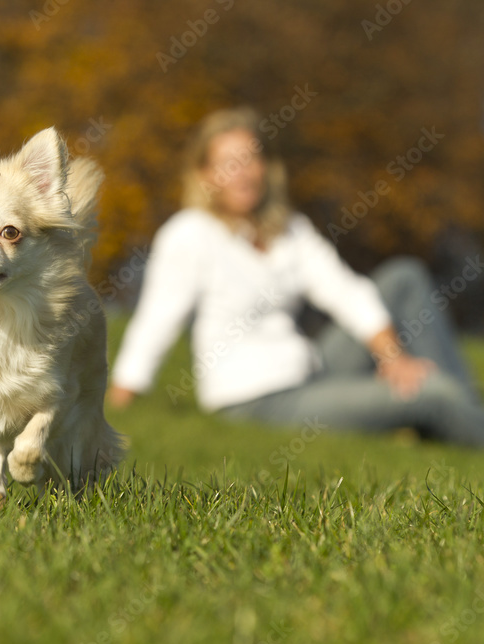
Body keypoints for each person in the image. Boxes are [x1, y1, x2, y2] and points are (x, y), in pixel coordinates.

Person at [109, 107, 484, 448]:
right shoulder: (190, 232)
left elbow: (345, 292)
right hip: (257, 399)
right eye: (227, 163)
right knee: (431, 393)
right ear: (205, 175)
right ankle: (455, 413)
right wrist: (121, 396)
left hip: (312, 369)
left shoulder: (290, 229)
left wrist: (393, 355)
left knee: (405, 276)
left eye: (250, 159)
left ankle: (461, 415)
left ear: (265, 167)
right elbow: (158, 318)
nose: (242, 173)